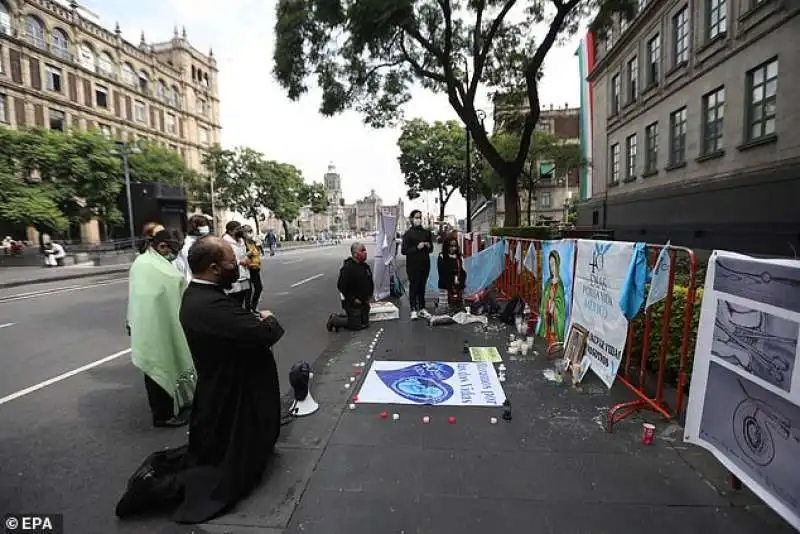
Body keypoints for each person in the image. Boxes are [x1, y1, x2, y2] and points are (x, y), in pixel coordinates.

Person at [115, 236, 285, 524]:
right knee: (226, 466)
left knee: (228, 449)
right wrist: (268, 318)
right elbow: (264, 334)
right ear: (216, 268)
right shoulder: (209, 304)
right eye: (233, 262)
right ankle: (157, 488)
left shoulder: (205, 296)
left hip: (228, 386)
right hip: (231, 393)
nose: (238, 265)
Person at [126, 228, 196, 428]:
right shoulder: (146, 265)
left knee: (172, 359)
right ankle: (162, 415)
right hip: (152, 325)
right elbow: (145, 299)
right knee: (158, 364)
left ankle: (175, 403)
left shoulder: (154, 263)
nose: (173, 255)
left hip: (166, 322)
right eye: (171, 250)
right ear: (161, 245)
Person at [327, 242, 374, 332]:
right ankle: (334, 320)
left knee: (365, 323)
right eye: (362, 250)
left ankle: (346, 317)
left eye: (365, 250)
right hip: (352, 302)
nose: (365, 252)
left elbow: (370, 282)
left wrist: (369, 295)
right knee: (356, 325)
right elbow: (341, 286)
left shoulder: (365, 266)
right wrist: (352, 299)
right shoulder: (348, 268)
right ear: (355, 254)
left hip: (364, 301)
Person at [401, 209, 433, 320]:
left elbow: (431, 249)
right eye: (416, 217)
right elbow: (404, 251)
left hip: (425, 263)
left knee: (422, 287)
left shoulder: (426, 233)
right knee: (414, 286)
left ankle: (422, 308)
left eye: (420, 217)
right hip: (413, 264)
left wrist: (428, 246)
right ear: (411, 219)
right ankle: (413, 309)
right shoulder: (408, 234)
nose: (418, 219)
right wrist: (416, 248)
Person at [538, 249, 567, 344]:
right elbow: (543, 300)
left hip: (554, 322)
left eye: (554, 264)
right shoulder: (547, 282)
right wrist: (547, 304)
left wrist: (554, 305)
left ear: (558, 265)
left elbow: (561, 306)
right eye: (550, 265)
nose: (552, 268)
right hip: (547, 320)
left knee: (552, 342)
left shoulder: (560, 284)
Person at [221, 221, 251, 308]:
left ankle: (247, 313)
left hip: (245, 274)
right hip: (234, 274)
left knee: (246, 294)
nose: (240, 230)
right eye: (237, 229)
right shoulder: (225, 241)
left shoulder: (241, 240)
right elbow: (224, 258)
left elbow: (244, 254)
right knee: (235, 298)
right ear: (230, 231)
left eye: (240, 228)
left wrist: (247, 260)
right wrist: (239, 262)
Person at [175, 214, 212, 282]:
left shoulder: (201, 241)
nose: (206, 227)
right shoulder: (188, 245)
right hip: (191, 280)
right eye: (203, 225)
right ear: (195, 227)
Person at [437, 236, 467, 311]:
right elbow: (442, 272)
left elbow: (463, 272)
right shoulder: (442, 256)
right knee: (444, 311)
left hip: (458, 287)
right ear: (446, 246)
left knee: (458, 309)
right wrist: (451, 282)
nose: (453, 248)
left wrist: (460, 282)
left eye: (455, 246)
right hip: (445, 287)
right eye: (451, 246)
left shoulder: (459, 257)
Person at [242, 225, 263, 311]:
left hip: (256, 268)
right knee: (248, 290)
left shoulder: (253, 242)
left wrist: (258, 247)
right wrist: (248, 254)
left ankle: (253, 306)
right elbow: (242, 255)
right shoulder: (242, 243)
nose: (250, 233)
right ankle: (248, 309)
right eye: (247, 232)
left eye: (251, 231)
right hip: (248, 269)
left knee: (259, 288)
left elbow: (257, 253)